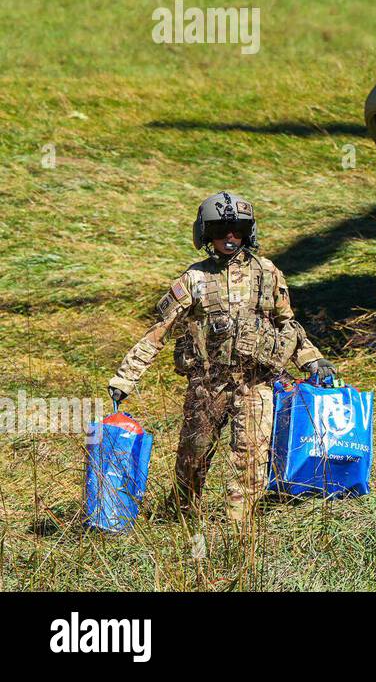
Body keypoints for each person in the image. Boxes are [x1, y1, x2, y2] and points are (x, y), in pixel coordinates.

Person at [108, 192, 332, 523]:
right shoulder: (193, 279)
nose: (230, 237)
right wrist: (126, 377)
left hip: (255, 382)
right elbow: (159, 331)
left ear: (248, 232)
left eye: (238, 229)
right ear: (205, 234)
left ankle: (237, 528)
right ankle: (181, 515)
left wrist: (312, 360)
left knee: (250, 457)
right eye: (220, 229)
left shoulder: (267, 273)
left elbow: (288, 325)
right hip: (207, 383)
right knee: (193, 454)